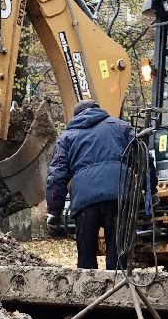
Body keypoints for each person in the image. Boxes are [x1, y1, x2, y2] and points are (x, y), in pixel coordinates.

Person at [46, 99, 133, 270]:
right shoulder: (121, 127)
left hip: (85, 202)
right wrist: (149, 188)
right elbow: (143, 156)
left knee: (86, 256)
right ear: (98, 110)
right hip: (119, 196)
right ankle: (119, 292)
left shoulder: (67, 137)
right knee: (118, 256)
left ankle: (89, 292)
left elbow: (56, 175)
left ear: (76, 116)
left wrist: (54, 211)